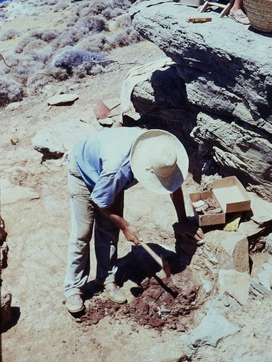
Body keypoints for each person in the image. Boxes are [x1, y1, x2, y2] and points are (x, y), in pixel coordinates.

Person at [63, 127, 190, 315]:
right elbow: (100, 202)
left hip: (106, 171)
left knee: (108, 230)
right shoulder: (118, 168)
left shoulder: (159, 151)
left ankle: (106, 278)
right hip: (83, 172)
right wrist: (125, 225)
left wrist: (183, 221)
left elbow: (174, 186)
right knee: (83, 232)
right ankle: (73, 288)